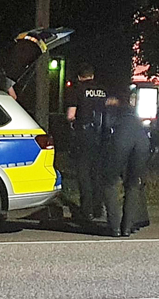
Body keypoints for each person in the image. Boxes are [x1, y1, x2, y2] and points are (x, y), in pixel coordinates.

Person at [101, 95, 151, 237]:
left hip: (121, 140)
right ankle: (127, 227)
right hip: (141, 142)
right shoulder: (135, 114)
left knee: (109, 182)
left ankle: (114, 227)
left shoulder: (112, 110)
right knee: (133, 184)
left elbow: (105, 128)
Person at [65, 63, 107, 223]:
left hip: (84, 135)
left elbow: (70, 115)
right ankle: (99, 208)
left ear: (79, 77)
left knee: (84, 174)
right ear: (92, 75)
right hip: (102, 136)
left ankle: (87, 210)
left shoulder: (77, 90)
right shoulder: (103, 91)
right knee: (97, 173)